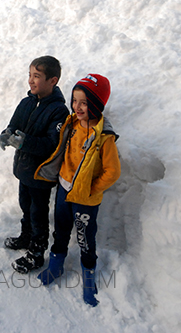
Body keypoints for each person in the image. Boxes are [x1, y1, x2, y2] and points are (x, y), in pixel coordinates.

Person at [34, 74, 121, 307]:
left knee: (84, 237)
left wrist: (92, 188)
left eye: (84, 102)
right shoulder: (72, 124)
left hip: (86, 199)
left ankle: (89, 276)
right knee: (60, 228)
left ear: (97, 104)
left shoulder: (104, 137)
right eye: (75, 100)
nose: (77, 107)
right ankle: (55, 265)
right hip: (64, 187)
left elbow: (113, 171)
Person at [0, 56, 68, 274]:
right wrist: (7, 134)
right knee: (25, 207)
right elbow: (14, 124)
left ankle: (37, 252)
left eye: (36, 76)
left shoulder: (59, 111)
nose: (30, 81)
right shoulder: (26, 102)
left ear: (52, 80)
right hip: (24, 170)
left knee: (38, 212)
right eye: (29, 75)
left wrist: (24, 142)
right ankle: (26, 237)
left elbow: (51, 145)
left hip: (41, 174)